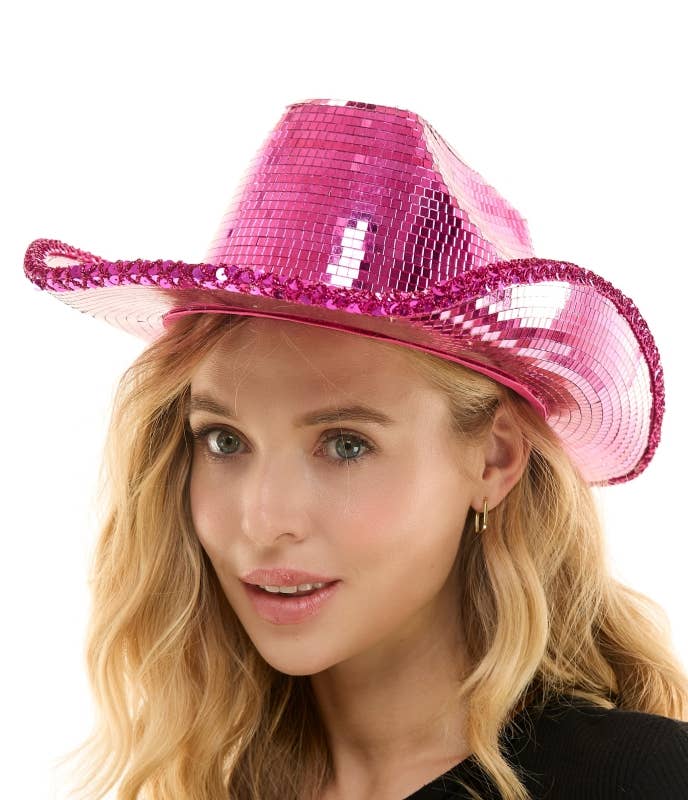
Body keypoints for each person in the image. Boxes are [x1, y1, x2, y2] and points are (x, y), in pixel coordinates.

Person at [23, 98, 688, 800]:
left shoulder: (635, 779)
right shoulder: (211, 785)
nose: (264, 519)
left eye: (344, 444)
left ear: (493, 460)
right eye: (224, 440)